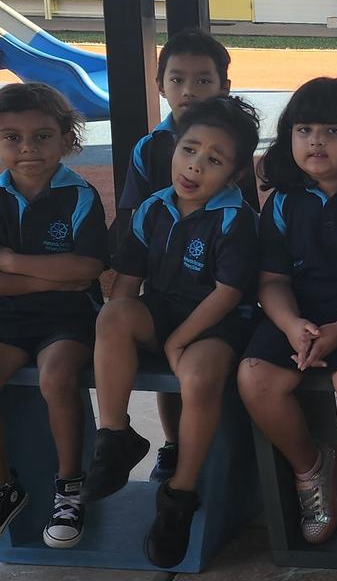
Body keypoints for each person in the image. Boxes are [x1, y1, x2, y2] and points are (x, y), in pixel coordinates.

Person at [85, 96, 261, 568]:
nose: (195, 166)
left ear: (236, 173)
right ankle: (115, 435)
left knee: (200, 379)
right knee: (114, 315)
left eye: (214, 159)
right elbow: (126, 281)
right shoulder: (152, 208)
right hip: (162, 314)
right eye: (189, 150)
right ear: (174, 150)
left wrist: (180, 340)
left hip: (215, 324)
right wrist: (115, 332)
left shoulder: (236, 217)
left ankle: (179, 495)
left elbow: (226, 294)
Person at [236, 78, 337, 547]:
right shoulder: (285, 201)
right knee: (254, 378)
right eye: (304, 130)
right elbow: (272, 281)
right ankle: (311, 467)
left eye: (332, 131)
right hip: (301, 317)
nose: (315, 141)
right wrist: (291, 325)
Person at [117, 28, 259, 483]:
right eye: (177, 80)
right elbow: (132, 219)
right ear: (160, 85)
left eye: (203, 81)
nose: (189, 91)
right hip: (165, 281)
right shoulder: (151, 148)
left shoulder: (232, 148)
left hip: (215, 290)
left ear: (224, 87)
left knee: (198, 368)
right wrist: (124, 304)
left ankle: (193, 470)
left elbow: (243, 208)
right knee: (147, 343)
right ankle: (170, 443)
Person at [0, 83, 107, 549]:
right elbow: (67, 272)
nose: (27, 148)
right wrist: (52, 277)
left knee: (57, 377)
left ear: (66, 140)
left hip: (69, 317)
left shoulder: (80, 195)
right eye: (12, 137)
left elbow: (85, 271)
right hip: (9, 317)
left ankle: (69, 487)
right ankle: (7, 487)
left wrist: (8, 262)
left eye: (42, 136)